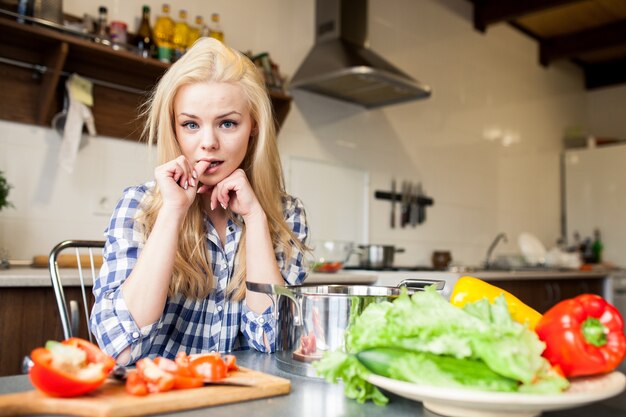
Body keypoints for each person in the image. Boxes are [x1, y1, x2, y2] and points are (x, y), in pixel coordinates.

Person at [90, 38, 309, 365]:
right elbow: (118, 350)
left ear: (253, 128)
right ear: (174, 129)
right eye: (191, 124)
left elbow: (274, 343)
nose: (208, 143)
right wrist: (172, 213)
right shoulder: (139, 205)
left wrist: (256, 219)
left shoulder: (286, 214)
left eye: (227, 123)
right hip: (157, 400)